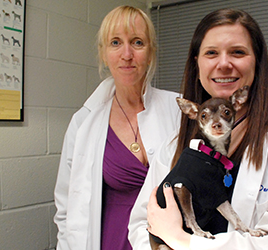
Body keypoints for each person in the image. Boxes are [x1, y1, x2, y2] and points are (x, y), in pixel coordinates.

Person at [128, 8, 268, 250]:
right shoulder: (175, 146)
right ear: (197, 65)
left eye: (237, 52)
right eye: (211, 53)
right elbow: (140, 224)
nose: (223, 64)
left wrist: (182, 241)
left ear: (257, 63)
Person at [53, 6, 181, 250]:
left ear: (151, 52)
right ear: (103, 54)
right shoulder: (84, 122)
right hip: (110, 240)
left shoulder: (178, 110)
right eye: (115, 43)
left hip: (168, 241)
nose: (126, 54)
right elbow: (65, 208)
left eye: (137, 42)